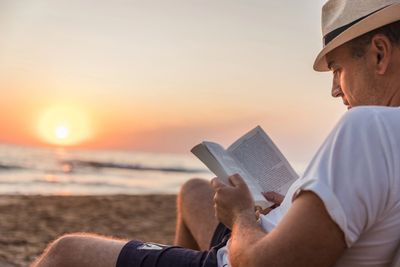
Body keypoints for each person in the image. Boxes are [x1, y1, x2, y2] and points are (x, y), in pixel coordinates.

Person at [31, 1, 400, 266]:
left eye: (337, 69)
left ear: (379, 55)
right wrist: (293, 203)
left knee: (67, 251)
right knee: (193, 191)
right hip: (268, 234)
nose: (336, 90)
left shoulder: (368, 126)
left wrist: (241, 215)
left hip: (242, 256)